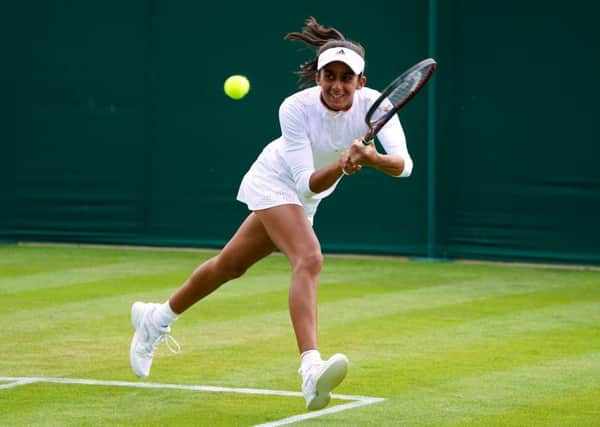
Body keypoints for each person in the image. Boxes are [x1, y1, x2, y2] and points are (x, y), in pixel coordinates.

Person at [129, 16, 413, 411]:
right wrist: (345, 165)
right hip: (277, 181)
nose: (336, 85)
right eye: (328, 75)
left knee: (230, 266)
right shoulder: (294, 109)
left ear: (361, 83)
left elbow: (404, 165)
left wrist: (370, 158)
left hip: (309, 197)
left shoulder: (375, 106)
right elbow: (304, 183)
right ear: (317, 77)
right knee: (309, 258)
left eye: (346, 78)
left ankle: (156, 319)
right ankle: (310, 370)